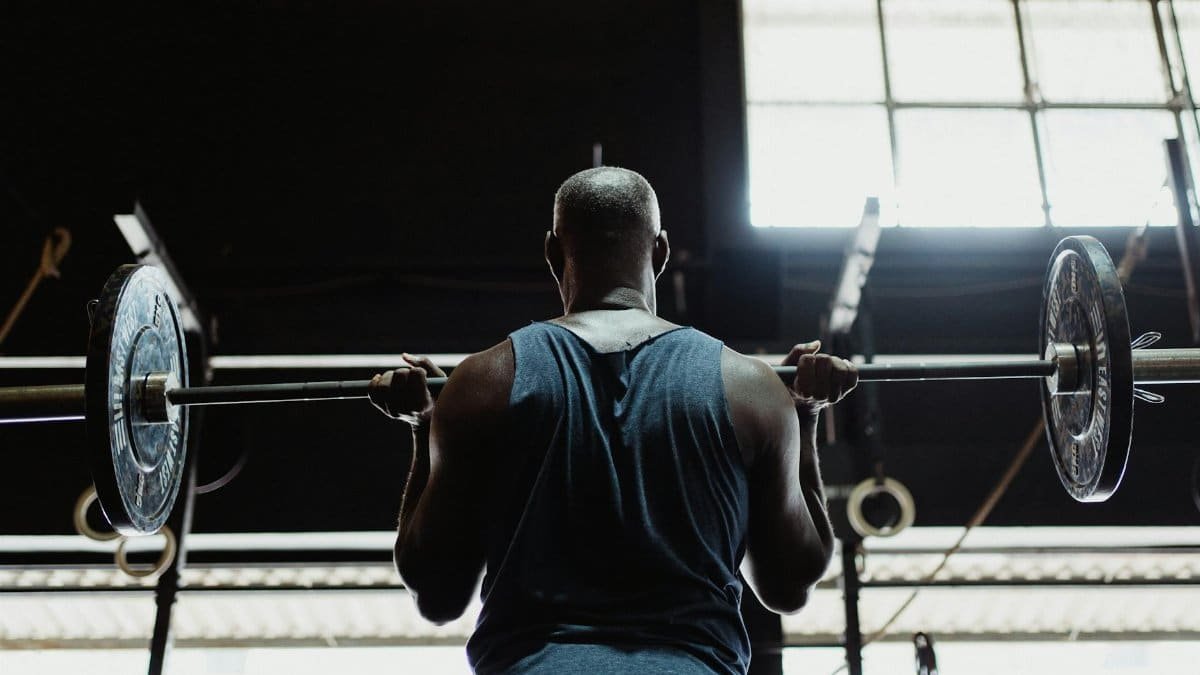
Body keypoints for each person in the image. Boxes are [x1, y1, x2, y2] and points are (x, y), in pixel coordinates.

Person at [368, 166, 858, 674]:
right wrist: (804, 414)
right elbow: (789, 586)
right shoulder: (751, 388)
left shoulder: (482, 383)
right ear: (662, 252)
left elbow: (437, 595)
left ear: (553, 255)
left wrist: (424, 425)